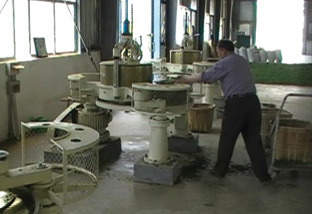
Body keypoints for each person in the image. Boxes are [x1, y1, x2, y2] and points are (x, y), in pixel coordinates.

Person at [177, 39, 271, 182]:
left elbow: (206, 77)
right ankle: (263, 175)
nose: (217, 53)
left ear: (223, 50)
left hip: (237, 104)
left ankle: (219, 170)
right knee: (254, 140)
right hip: (253, 102)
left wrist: (183, 80)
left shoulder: (226, 62)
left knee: (228, 137)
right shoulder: (241, 60)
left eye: (218, 51)